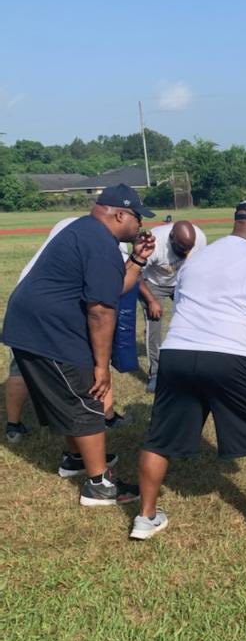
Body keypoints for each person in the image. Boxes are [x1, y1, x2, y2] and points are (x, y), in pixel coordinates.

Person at [130, 198, 246, 540]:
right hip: (233, 355)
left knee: (158, 439)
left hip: (177, 354)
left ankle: (145, 517)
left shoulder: (197, 259)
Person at [1, 184, 156, 503]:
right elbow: (101, 310)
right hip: (47, 331)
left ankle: (76, 460)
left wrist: (137, 260)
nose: (140, 224)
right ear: (119, 215)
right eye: (137, 217)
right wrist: (101, 366)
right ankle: (99, 485)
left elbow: (113, 287)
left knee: (68, 398)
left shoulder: (89, 232)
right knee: (87, 398)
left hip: (32, 326)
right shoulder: (99, 242)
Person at [5, 215, 139, 443]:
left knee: (20, 370)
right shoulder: (102, 240)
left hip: (27, 300)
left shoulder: (71, 229)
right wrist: (102, 364)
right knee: (89, 375)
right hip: (53, 312)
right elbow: (107, 296)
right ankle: (103, 426)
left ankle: (13, 425)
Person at [138, 220, 207, 392]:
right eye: (181, 248)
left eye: (189, 249)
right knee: (154, 325)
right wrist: (151, 300)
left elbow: (199, 267)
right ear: (171, 238)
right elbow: (135, 273)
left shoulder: (199, 238)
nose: (186, 253)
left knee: (195, 320)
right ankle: (155, 374)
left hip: (180, 281)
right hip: (152, 283)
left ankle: (192, 366)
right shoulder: (154, 243)